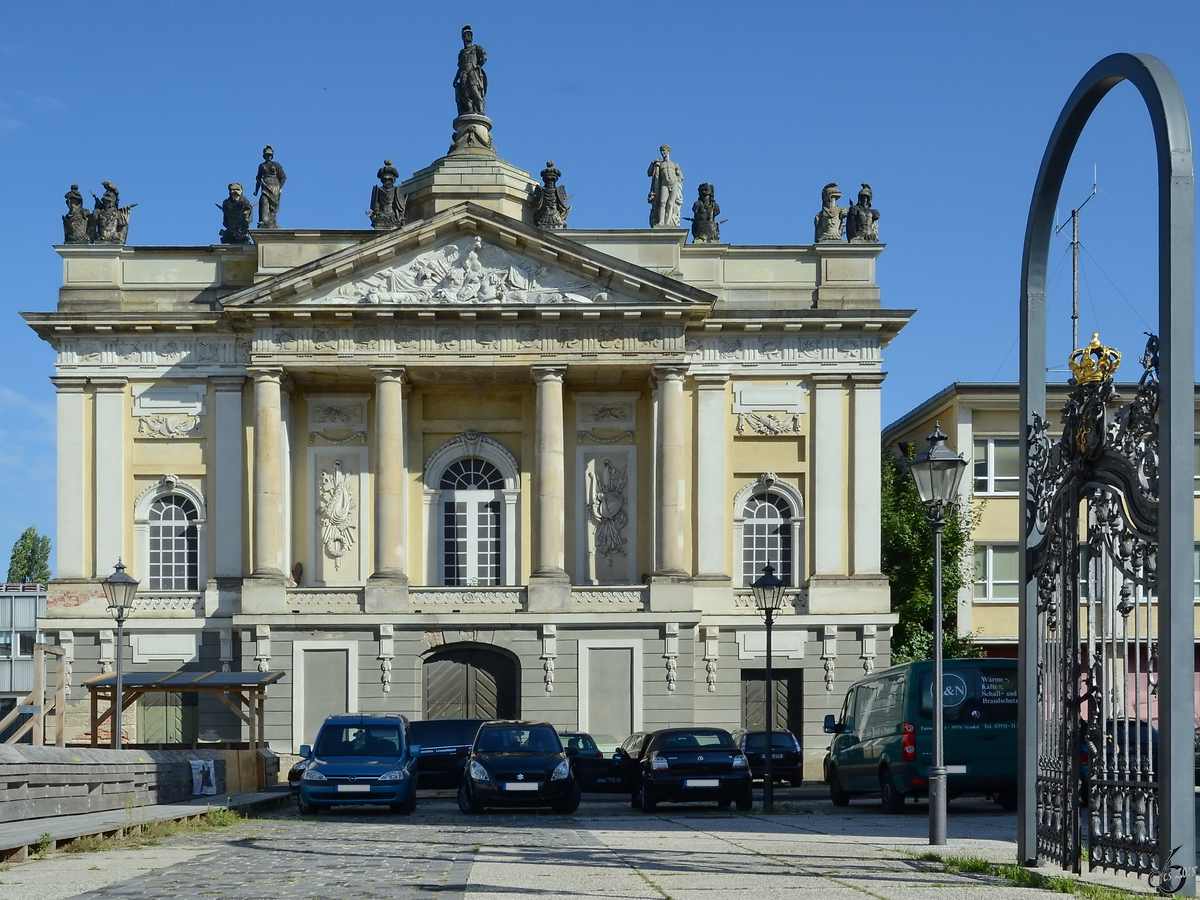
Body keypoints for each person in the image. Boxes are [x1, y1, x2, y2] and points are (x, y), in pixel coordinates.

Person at [454, 25, 488, 116]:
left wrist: (478, 66)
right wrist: (455, 79)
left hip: (473, 73)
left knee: (475, 91)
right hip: (463, 74)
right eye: (465, 35)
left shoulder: (476, 48)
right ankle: (469, 110)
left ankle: (480, 110)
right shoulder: (461, 53)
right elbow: (460, 67)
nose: (467, 36)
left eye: (469, 34)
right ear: (462, 37)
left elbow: (484, 57)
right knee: (466, 95)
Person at [647, 144, 684, 228]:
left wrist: (678, 178)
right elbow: (649, 173)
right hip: (664, 184)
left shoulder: (674, 165)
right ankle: (661, 222)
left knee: (671, 204)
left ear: (668, 151)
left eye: (664, 151)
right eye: (661, 151)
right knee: (662, 202)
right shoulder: (660, 164)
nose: (662, 153)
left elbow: (681, 177)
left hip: (673, 184)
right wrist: (653, 164)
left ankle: (668, 223)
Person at [254, 145, 287, 228]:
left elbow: (283, 177)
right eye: (266, 155)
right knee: (263, 201)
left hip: (275, 186)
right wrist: (256, 191)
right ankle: (264, 221)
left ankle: (271, 222)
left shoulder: (276, 165)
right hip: (265, 187)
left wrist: (279, 187)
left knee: (273, 206)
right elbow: (258, 179)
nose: (268, 156)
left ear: (272, 156)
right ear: (264, 156)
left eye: (269, 155)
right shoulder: (261, 166)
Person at [532, 161, 571, 229]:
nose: (550, 182)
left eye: (552, 180)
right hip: (544, 215)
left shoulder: (558, 190)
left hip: (555, 215)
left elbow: (562, 204)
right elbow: (537, 205)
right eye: (548, 180)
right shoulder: (540, 190)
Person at [368, 160, 406, 229]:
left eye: (389, 180)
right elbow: (376, 205)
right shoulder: (378, 190)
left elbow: (399, 206)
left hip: (393, 215)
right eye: (385, 179)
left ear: (393, 180)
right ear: (382, 180)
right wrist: (376, 213)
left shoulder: (396, 190)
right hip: (381, 215)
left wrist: (399, 216)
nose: (387, 182)